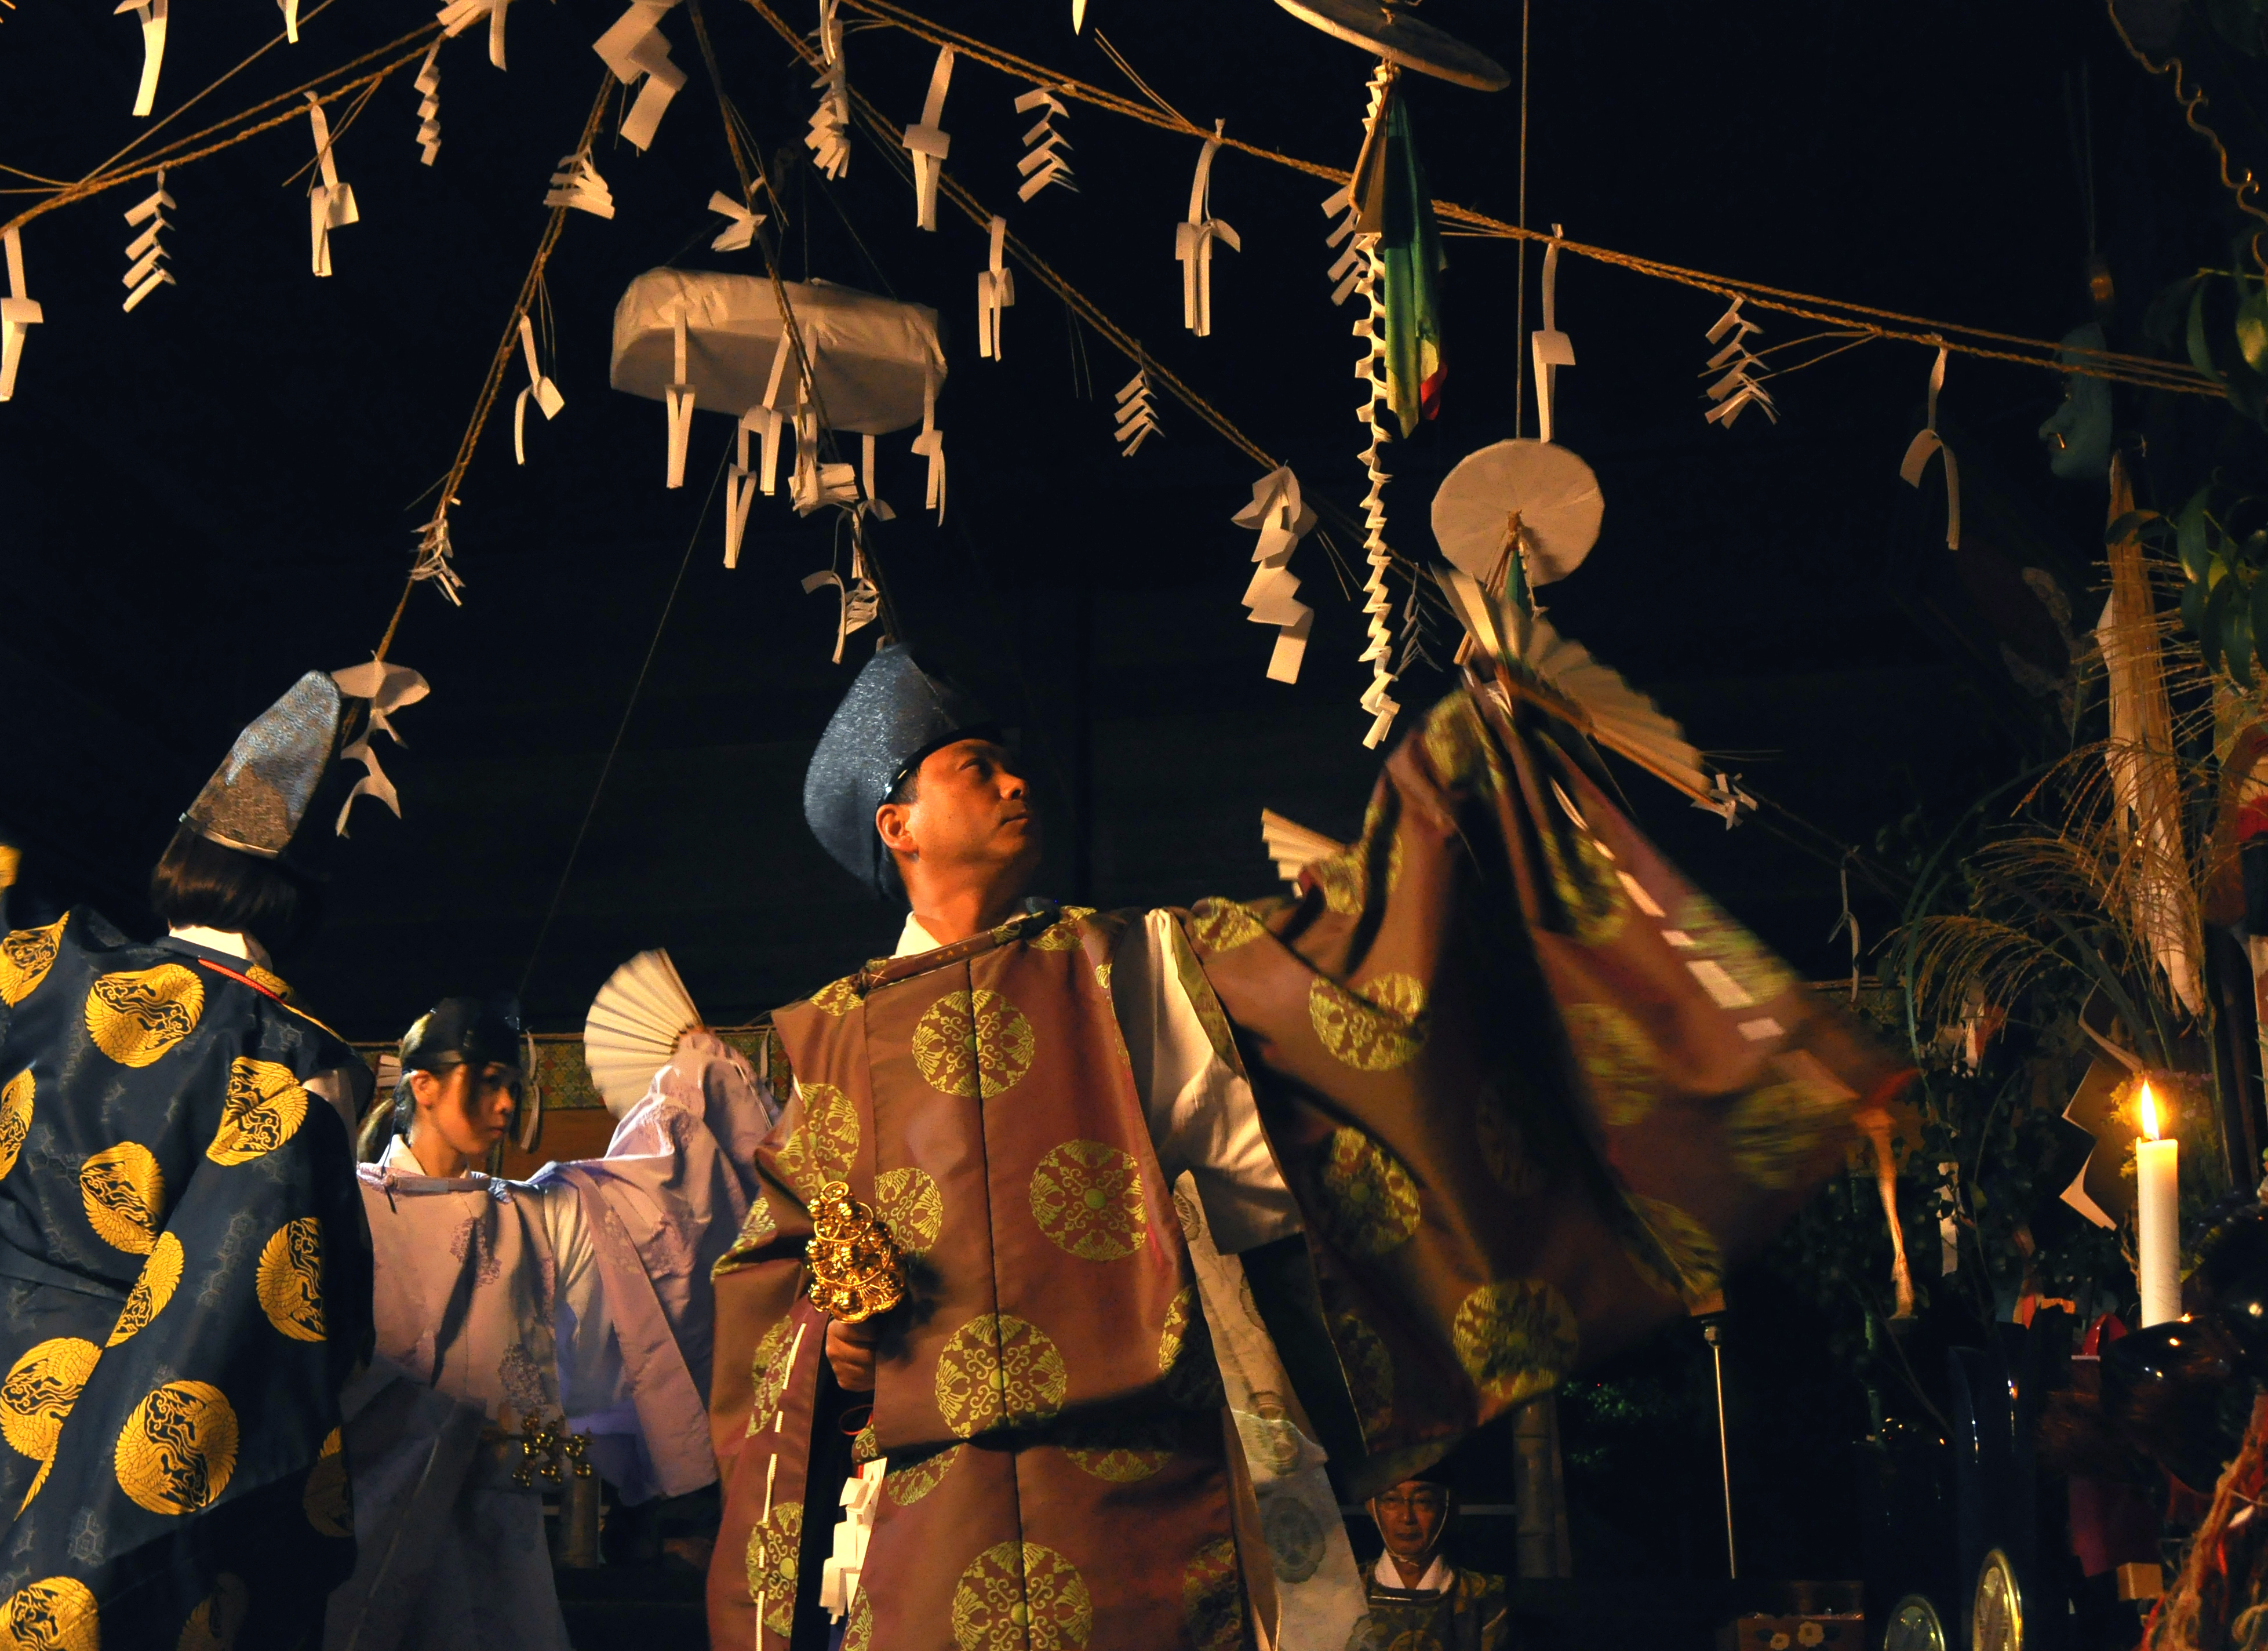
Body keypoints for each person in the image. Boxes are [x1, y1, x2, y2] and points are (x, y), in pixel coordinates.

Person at [707, 642, 1910, 1651]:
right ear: (898, 822)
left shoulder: (1130, 962)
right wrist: (838, 1347)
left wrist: (1456, 762)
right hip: (938, 1510)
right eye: (979, 767)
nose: (1020, 781)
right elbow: (776, 1284)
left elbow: (1347, 963)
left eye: (1012, 761)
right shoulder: (830, 1034)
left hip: (1142, 1497)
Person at [0, 658, 376, 1650]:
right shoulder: (305, 1063)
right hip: (148, 1399)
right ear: (304, 899)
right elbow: (282, 1311)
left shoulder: (49, 968)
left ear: (184, 850)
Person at [330, 992, 773, 1651]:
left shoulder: (530, 1213)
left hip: (496, 1512)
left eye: (513, 1087)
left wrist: (693, 1068)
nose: (506, 1106)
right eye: (487, 1083)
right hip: (375, 1499)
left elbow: (657, 1193)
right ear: (421, 1085)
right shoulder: (348, 1207)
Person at [1357, 1471, 1509, 1651]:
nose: (1407, 1517)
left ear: (1449, 1509)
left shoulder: (1486, 1597)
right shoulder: (1348, 1590)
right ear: (1372, 1508)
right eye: (1392, 1500)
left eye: (1423, 1501)